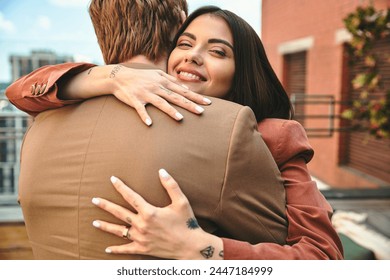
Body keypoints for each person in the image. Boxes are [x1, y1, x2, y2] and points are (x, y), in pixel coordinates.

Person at [5, 4, 344, 259]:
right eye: (184, 43)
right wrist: (111, 76)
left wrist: (205, 248)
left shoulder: (272, 137)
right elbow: (19, 91)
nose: (192, 57)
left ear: (242, 71)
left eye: (217, 51)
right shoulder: (127, 100)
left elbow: (323, 255)